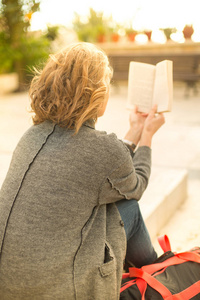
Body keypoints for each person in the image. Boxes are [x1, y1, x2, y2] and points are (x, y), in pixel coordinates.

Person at [0, 42, 165, 300]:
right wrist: (147, 135)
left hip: (8, 280)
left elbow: (106, 167)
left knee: (105, 205)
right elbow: (136, 184)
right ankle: (156, 278)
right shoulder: (102, 149)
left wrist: (134, 129)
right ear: (97, 94)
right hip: (57, 290)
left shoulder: (31, 135)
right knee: (127, 208)